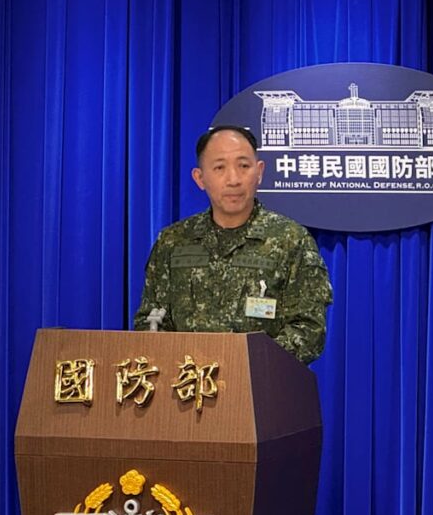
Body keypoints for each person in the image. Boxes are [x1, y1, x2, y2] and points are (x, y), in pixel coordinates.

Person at [133, 125, 333, 363]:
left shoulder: (292, 240)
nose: (233, 179)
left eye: (243, 166)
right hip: (186, 381)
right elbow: (150, 321)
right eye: (219, 168)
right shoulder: (173, 242)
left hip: (260, 380)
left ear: (259, 172)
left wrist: (244, 363)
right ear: (200, 178)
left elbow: (308, 329)